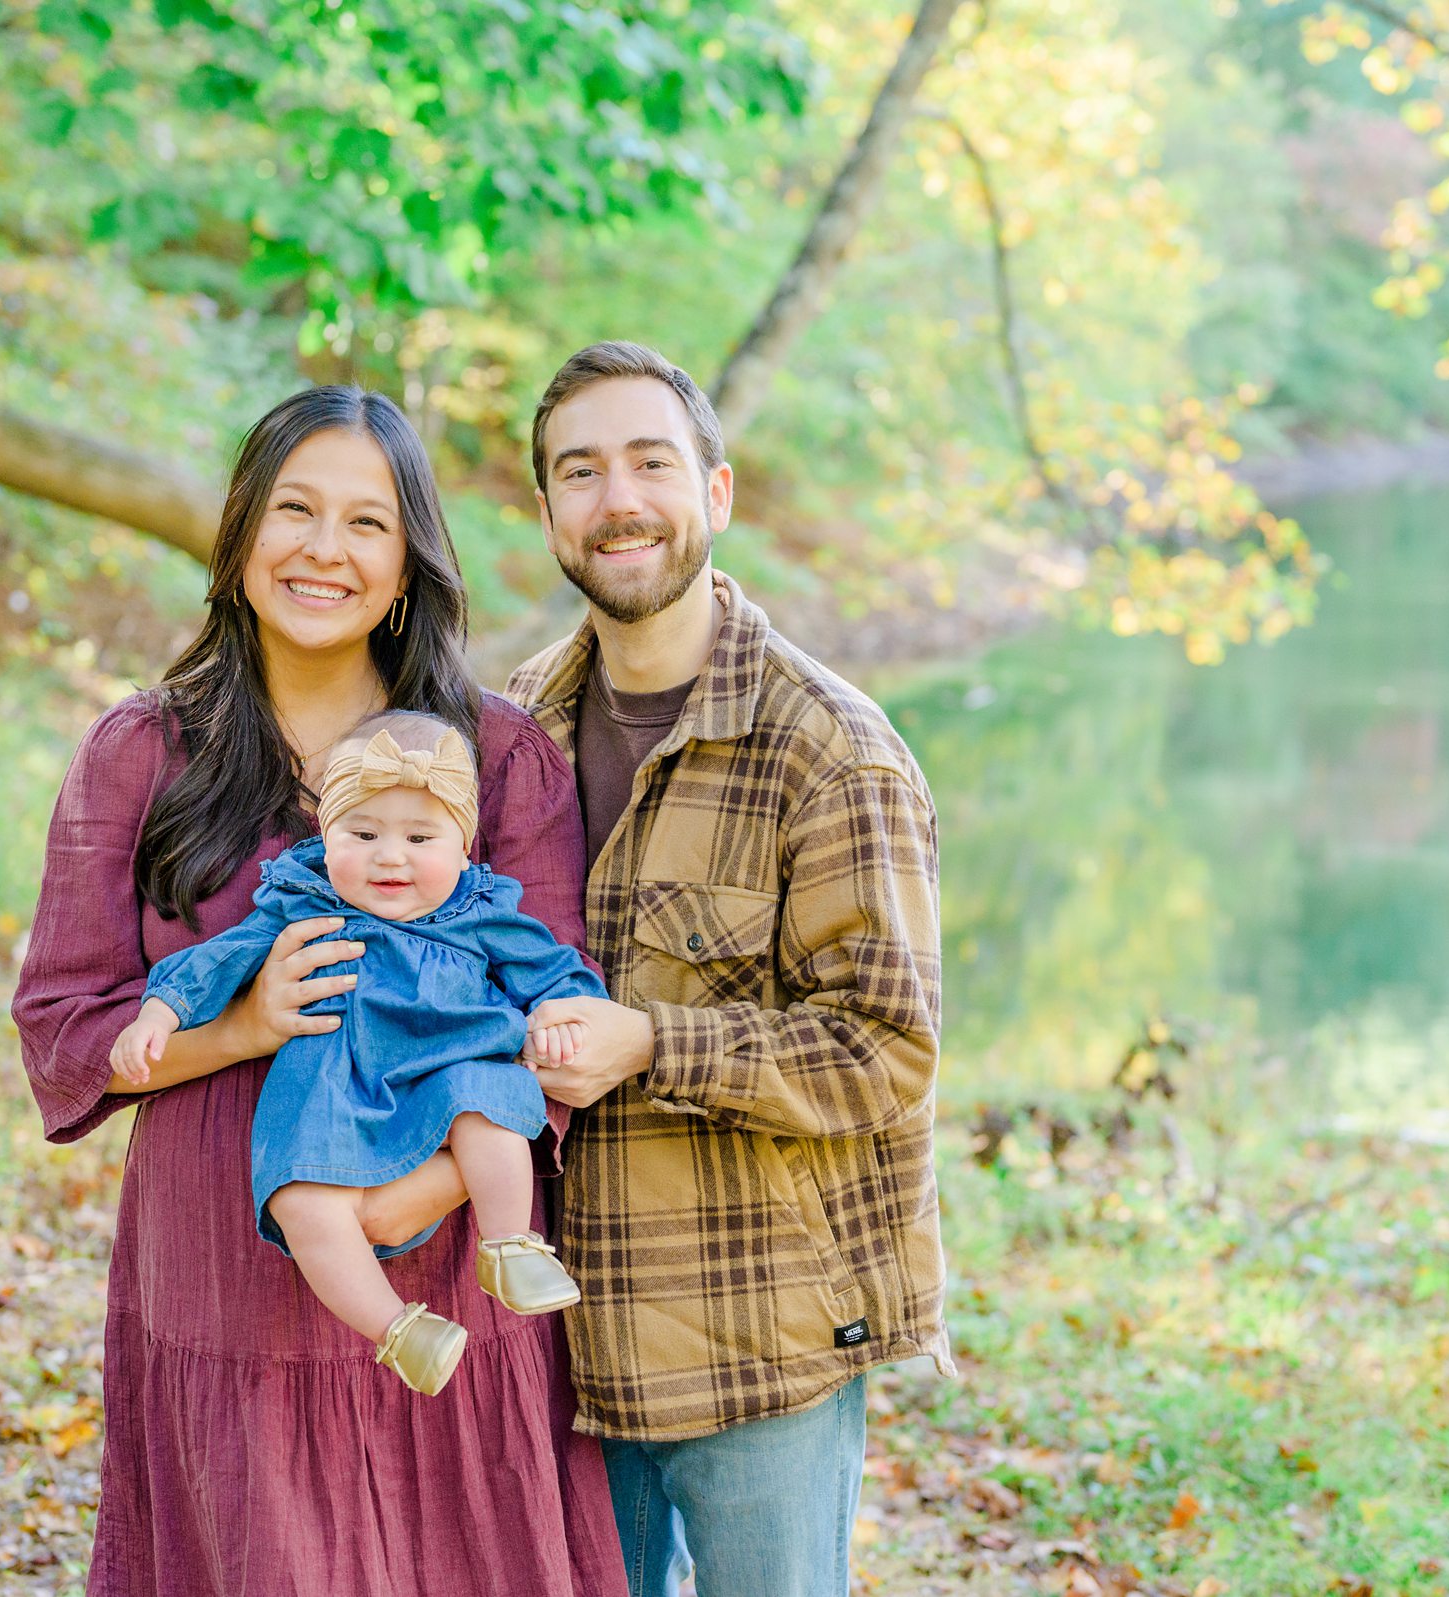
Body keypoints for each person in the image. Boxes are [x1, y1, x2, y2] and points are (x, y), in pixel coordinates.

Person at [13, 387, 626, 1595]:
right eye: (295, 510)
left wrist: (424, 1193)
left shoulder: (497, 760)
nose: (323, 550)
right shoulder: (143, 753)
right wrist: (242, 1023)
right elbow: (64, 1028)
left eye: (366, 523)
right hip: (226, 1280)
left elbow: (566, 1018)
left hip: (454, 1287)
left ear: (407, 567)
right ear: (244, 533)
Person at [505, 342, 953, 1597]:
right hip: (558, 1342)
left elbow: (887, 1054)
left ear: (717, 492)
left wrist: (653, 1040)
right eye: (579, 471)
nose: (618, 500)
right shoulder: (509, 735)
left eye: (652, 461)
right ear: (546, 512)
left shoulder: (831, 752)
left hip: (759, 1336)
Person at [109, 710, 602, 1397]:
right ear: (325, 834)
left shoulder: (479, 910)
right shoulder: (304, 901)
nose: (389, 856)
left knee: (489, 1107)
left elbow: (555, 970)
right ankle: (398, 1330)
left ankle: (510, 1244)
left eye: (420, 836)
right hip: (333, 1094)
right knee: (302, 1200)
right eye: (362, 833)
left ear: (463, 848)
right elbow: (218, 960)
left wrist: (555, 1014)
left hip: (448, 1072)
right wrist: (158, 1014)